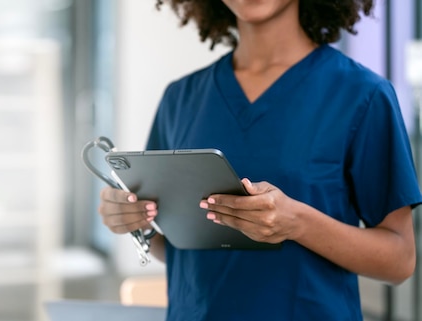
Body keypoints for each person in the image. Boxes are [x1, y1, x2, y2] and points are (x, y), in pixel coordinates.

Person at [97, 0, 422, 320]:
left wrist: (298, 223)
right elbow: (184, 251)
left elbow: (399, 260)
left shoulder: (362, 95)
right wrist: (136, 222)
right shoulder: (181, 98)